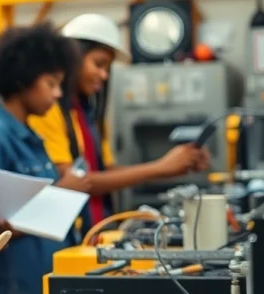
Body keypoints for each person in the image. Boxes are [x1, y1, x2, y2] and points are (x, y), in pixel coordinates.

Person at [29, 14, 210, 236]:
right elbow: (78, 182)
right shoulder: (49, 111)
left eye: (107, 68)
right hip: (69, 232)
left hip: (96, 228)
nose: (104, 75)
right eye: (98, 64)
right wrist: (160, 167)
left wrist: (170, 166)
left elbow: (104, 171)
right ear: (72, 58)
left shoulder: (85, 112)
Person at [0, 23, 91, 294]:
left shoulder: (33, 138)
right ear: (23, 80)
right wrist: (63, 192)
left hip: (45, 280)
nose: (58, 93)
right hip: (16, 288)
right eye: (51, 83)